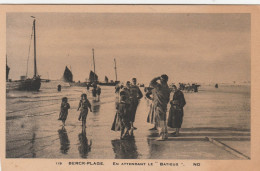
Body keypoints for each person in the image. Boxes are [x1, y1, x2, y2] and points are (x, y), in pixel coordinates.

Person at [150, 75, 171, 141]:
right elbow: (168, 99)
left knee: (160, 121)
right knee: (163, 121)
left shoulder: (159, 86)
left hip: (159, 105)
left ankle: (162, 136)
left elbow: (151, 83)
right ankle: (165, 135)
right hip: (164, 105)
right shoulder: (167, 88)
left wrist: (157, 77)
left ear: (161, 80)